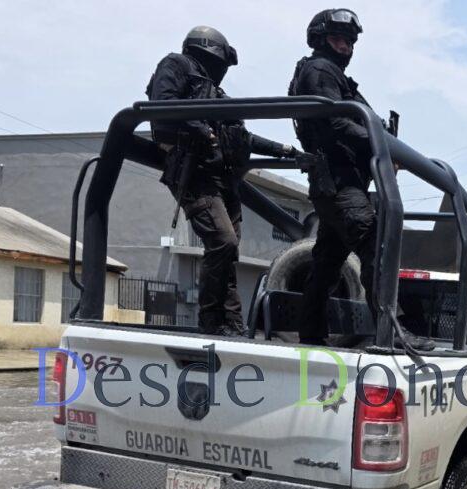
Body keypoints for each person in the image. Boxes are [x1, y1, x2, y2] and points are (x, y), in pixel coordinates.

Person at [289, 9, 434, 349]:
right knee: (377, 244)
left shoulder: (334, 76)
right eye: (338, 39)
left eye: (350, 42)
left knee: (327, 262)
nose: (345, 47)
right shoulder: (319, 71)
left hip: (341, 182)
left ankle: (311, 334)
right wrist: (381, 144)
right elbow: (334, 123)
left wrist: (382, 140)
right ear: (321, 39)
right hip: (338, 183)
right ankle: (390, 330)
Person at [148, 26, 297, 336]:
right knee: (223, 242)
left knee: (228, 254)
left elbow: (242, 137)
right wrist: (201, 130)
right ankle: (211, 321)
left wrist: (285, 151)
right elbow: (163, 104)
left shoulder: (216, 94)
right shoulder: (176, 65)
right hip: (194, 172)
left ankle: (231, 323)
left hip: (223, 179)